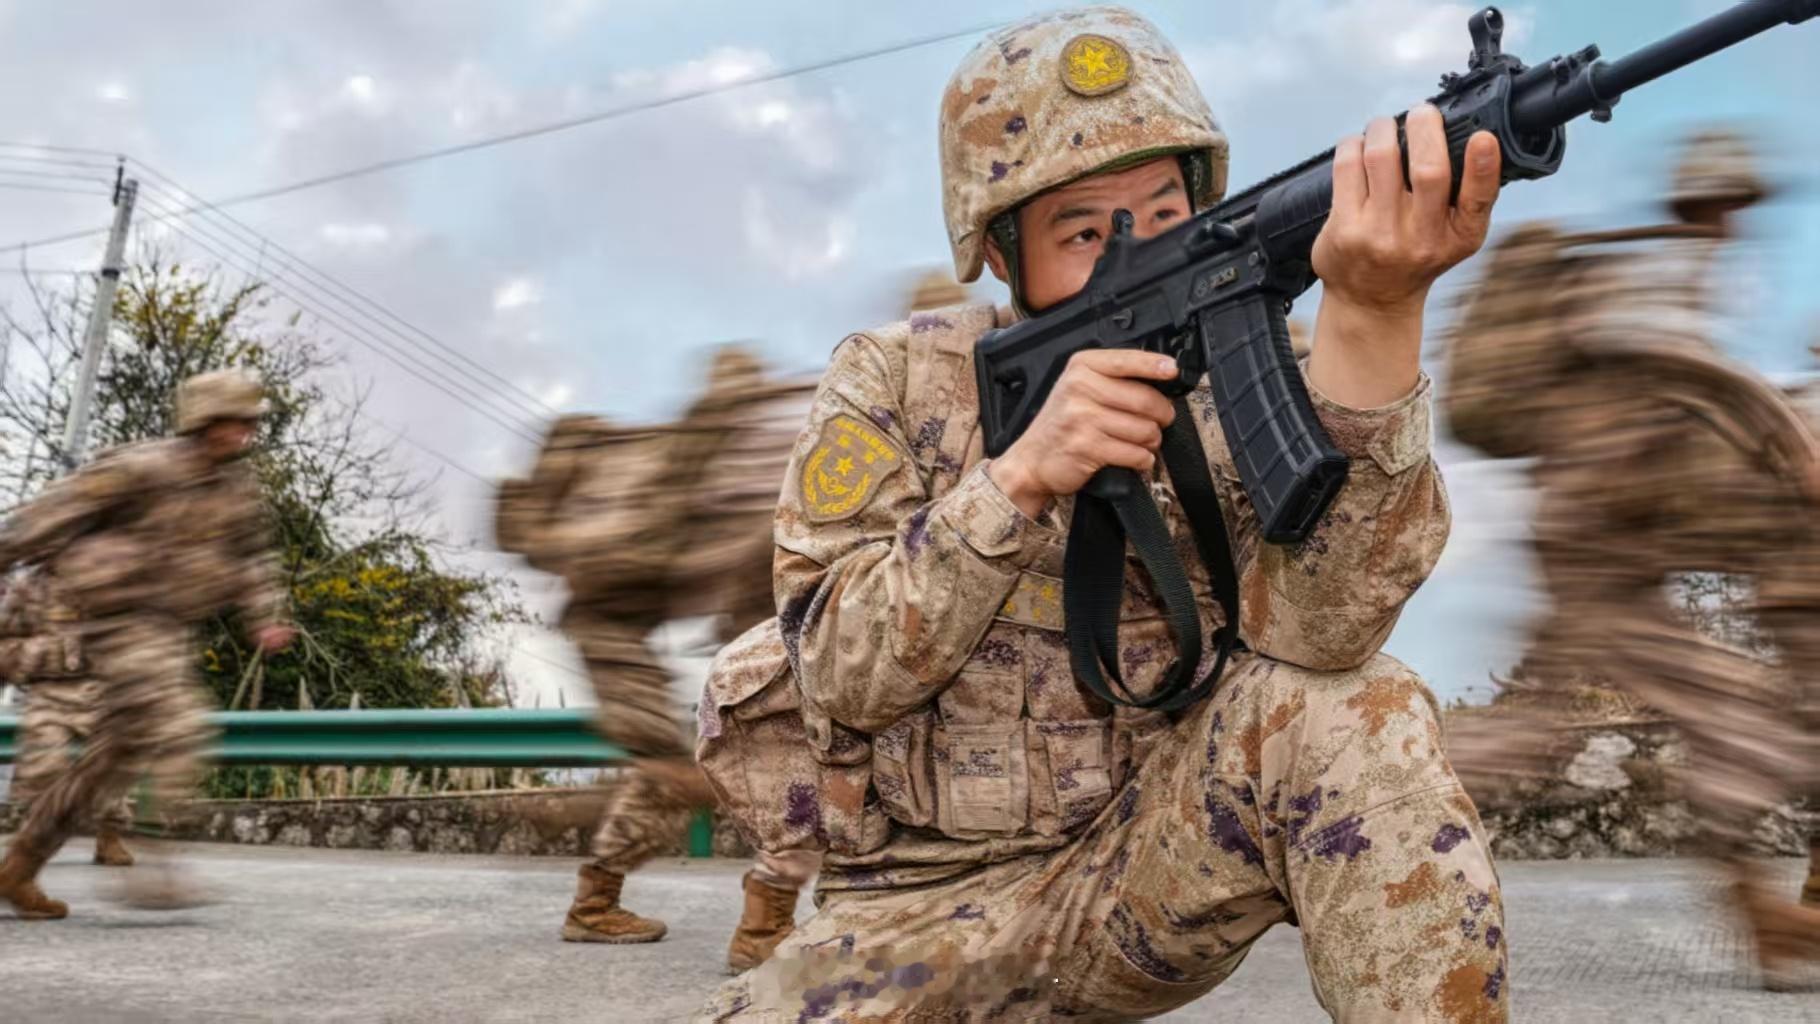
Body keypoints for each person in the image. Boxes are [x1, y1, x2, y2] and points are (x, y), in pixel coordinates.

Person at [700, 7, 1510, 1020]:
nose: (1130, 251)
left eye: (1160, 217)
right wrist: (1017, 482)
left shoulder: (1264, 362)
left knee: (1359, 706)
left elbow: (1324, 633)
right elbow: (834, 672)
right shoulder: (894, 381)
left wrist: (1377, 316)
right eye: (1082, 231)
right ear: (1000, 252)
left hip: (1146, 869)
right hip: (906, 915)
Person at [1445, 126, 1820, 988]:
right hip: (1601, 538)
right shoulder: (1656, 268)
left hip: (1607, 537)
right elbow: (1677, 368)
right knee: (1730, 709)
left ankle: (1767, 922)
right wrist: (1785, 437)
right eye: (1731, 204)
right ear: (1712, 202)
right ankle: (1339, 807)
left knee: (1542, 729)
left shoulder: (1656, 265)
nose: (1736, 222)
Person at [495, 346, 819, 972]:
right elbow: (757, 576)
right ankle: (762, 926)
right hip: (616, 625)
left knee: (681, 768)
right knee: (698, 770)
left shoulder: (687, 465)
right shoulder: (749, 458)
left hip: (629, 623)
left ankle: (597, 901)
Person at [0, 369, 295, 918]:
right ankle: (161, 866)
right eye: (237, 421)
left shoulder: (234, 490)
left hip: (168, 626)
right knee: (181, 725)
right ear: (205, 420)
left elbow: (253, 558)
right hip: (116, 618)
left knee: (108, 764)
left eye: (251, 423)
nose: (248, 432)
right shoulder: (142, 467)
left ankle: (18, 868)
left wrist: (264, 617)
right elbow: (51, 514)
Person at [0, 571, 137, 868]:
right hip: (46, 689)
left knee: (111, 765)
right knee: (42, 769)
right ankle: (34, 843)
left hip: (97, 686)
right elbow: (6, 637)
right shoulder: (29, 589)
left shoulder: (105, 578)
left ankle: (109, 835)